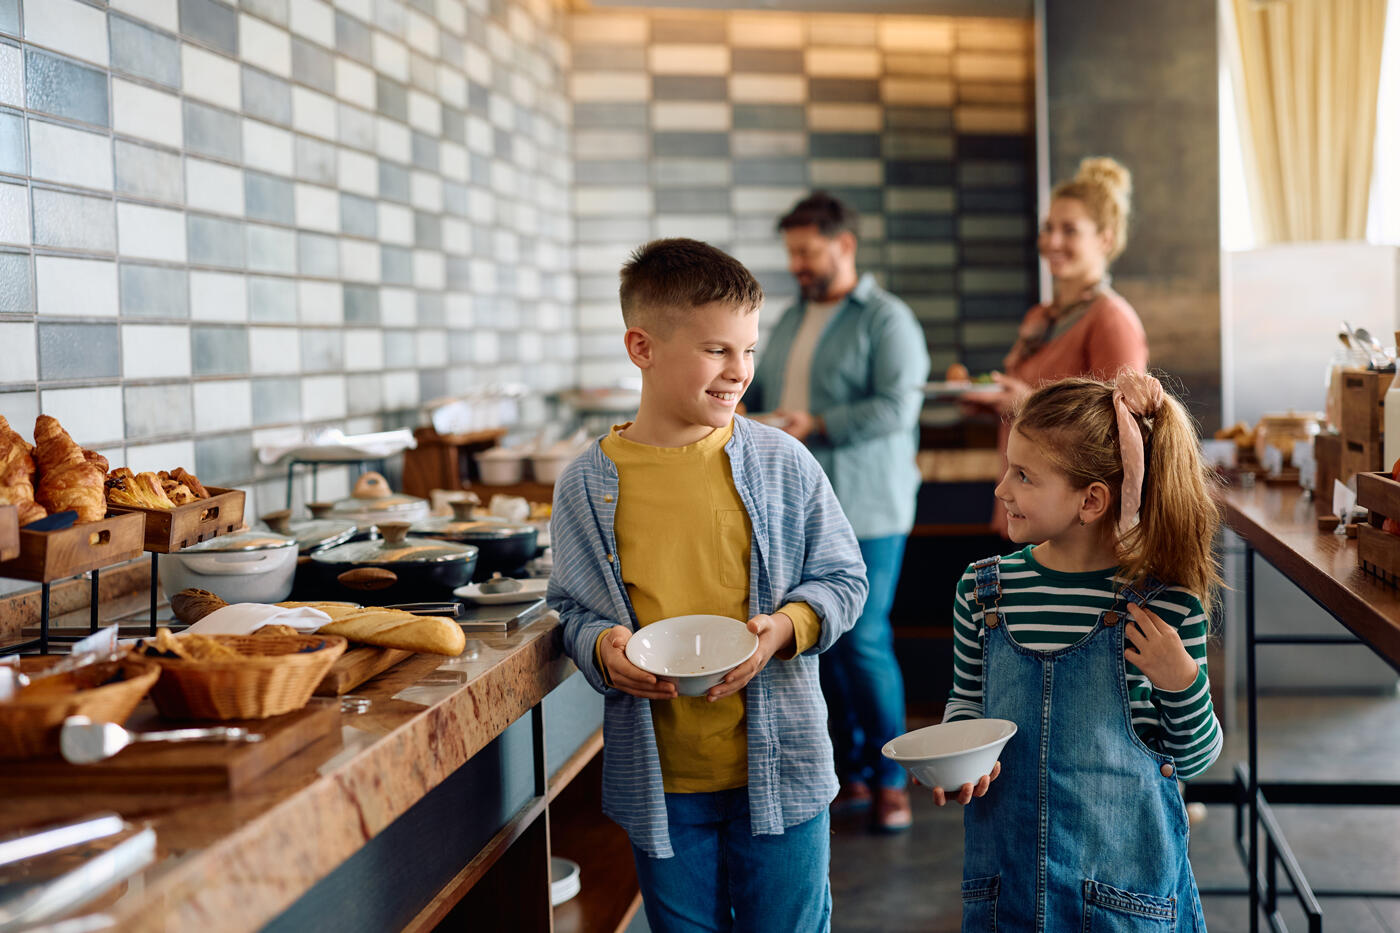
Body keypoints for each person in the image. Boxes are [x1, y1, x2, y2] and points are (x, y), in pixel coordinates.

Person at [548, 238, 868, 932]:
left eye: (748, 350)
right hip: (662, 783)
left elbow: (843, 578)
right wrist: (602, 646)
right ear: (643, 347)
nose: (740, 372)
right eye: (718, 350)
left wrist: (784, 629)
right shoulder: (585, 484)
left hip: (785, 767)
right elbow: (568, 607)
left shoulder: (784, 462)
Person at [934, 370, 1223, 931]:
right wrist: (959, 758)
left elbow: (1192, 760)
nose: (1002, 490)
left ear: (1091, 500)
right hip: (1005, 896)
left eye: (1023, 476)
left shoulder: (1166, 608)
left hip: (1126, 907)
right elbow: (966, 704)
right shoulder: (981, 589)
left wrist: (1180, 679)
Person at [746, 191, 930, 833]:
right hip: (798, 511)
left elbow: (897, 408)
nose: (796, 263)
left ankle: (891, 781)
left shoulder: (887, 319)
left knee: (865, 640)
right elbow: (760, 390)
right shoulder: (792, 320)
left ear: (843, 245)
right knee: (821, 639)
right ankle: (850, 770)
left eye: (806, 250)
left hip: (869, 505)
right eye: (791, 251)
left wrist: (817, 423)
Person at [961, 157, 1148, 537]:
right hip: (1028, 507)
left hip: (1074, 524)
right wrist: (989, 401)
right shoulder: (1041, 317)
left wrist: (1022, 402)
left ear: (1105, 239)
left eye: (1069, 230)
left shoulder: (1110, 319)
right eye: (1048, 229)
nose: (1052, 242)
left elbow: (1123, 430)